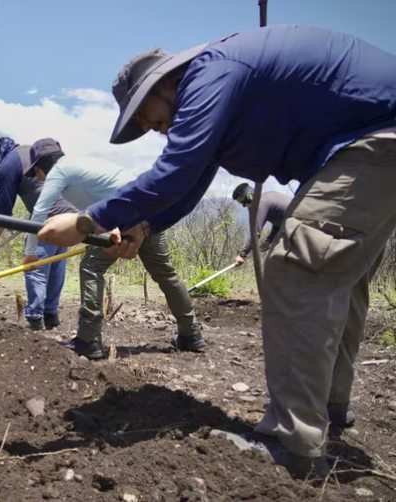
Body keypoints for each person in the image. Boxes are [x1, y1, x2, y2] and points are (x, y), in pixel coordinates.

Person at [37, 25, 396, 478]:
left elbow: (174, 170)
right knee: (337, 274)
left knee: (298, 269)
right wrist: (145, 226)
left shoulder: (211, 74)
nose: (153, 130)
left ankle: (293, 443)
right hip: (371, 141)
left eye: (149, 118)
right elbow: (190, 181)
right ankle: (329, 404)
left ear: (165, 83)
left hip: (374, 138)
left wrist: (88, 220)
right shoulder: (221, 85)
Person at [25, 137, 203, 360]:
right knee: (165, 274)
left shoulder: (60, 171)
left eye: (35, 173)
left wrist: (30, 252)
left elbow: (40, 212)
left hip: (124, 216)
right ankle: (191, 334)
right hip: (149, 214)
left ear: (43, 165)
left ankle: (88, 340)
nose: (37, 178)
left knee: (91, 267)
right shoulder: (82, 165)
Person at [0, 133, 77, 331]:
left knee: (36, 266)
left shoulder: (7, 165)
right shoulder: (30, 151)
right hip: (68, 217)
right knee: (56, 263)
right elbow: (38, 190)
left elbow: (3, 212)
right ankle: (50, 316)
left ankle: (35, 318)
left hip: (46, 219)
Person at [231, 184, 292, 266]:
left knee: (277, 263)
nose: (245, 206)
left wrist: (243, 254)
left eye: (244, 202)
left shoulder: (260, 204)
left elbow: (255, 234)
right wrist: (269, 240)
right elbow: (280, 221)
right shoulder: (268, 197)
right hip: (302, 224)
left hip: (300, 228)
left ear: (249, 196)